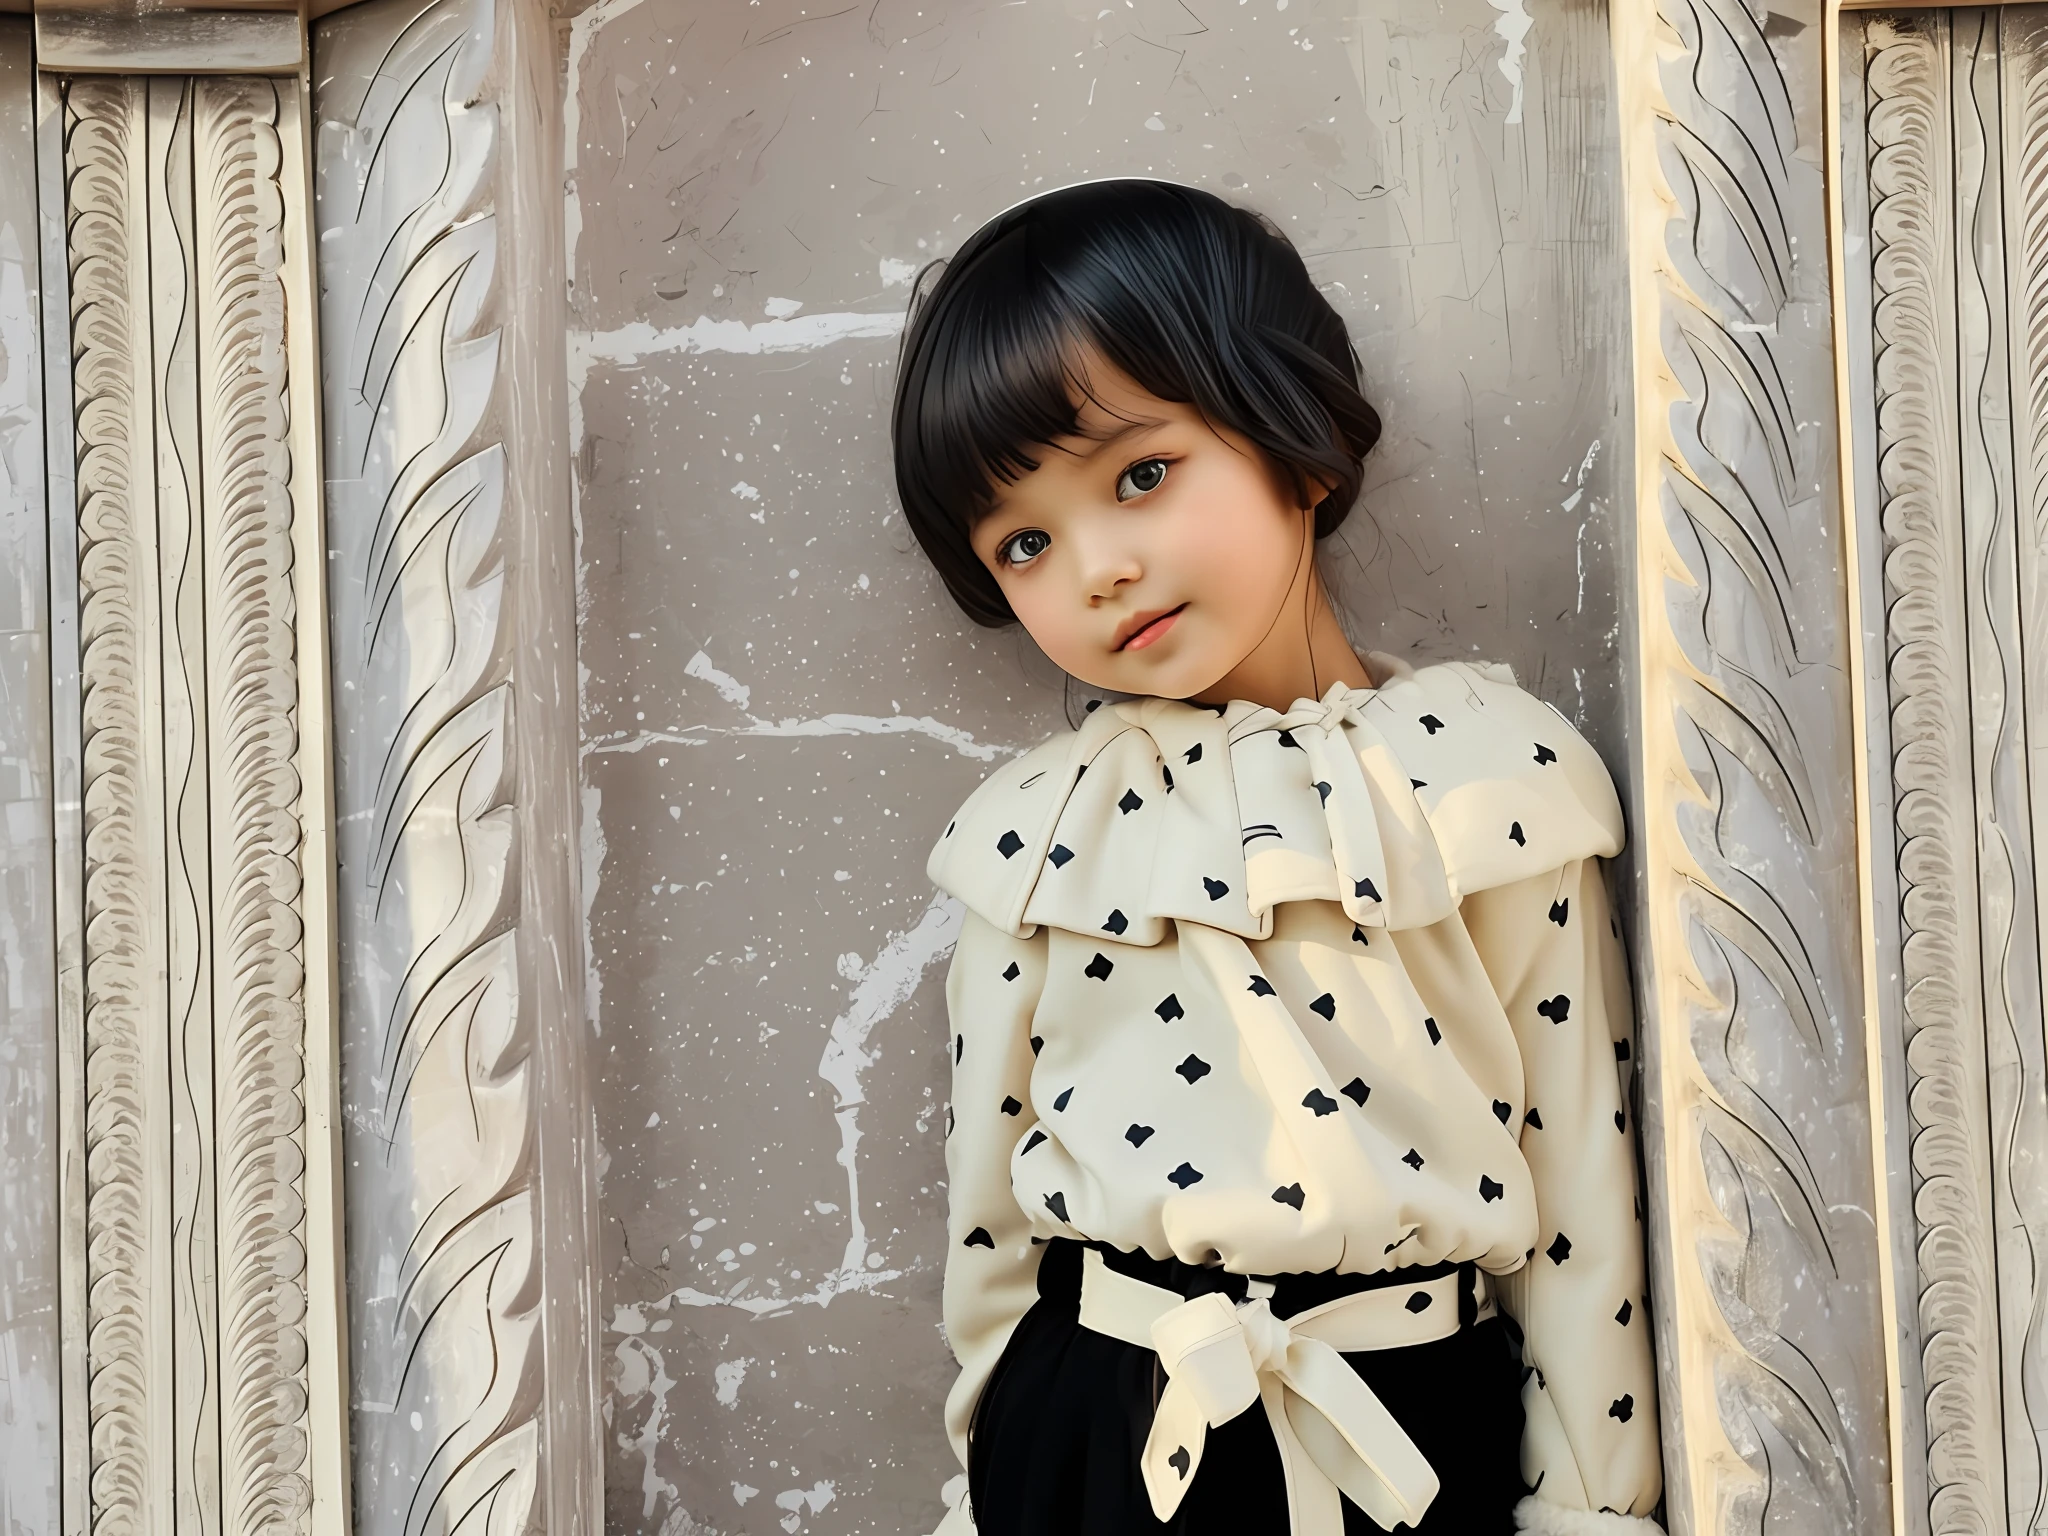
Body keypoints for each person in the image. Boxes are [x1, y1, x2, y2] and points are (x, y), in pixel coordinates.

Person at [891, 178, 1663, 1536]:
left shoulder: (1489, 784)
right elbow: (990, 1212)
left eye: (1140, 475)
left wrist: (1595, 1511)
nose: (1100, 568)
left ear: (1294, 439)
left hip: (1408, 1438)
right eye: (1026, 541)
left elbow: (1577, 1209)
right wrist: (981, 1493)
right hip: (1095, 1439)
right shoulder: (1036, 836)